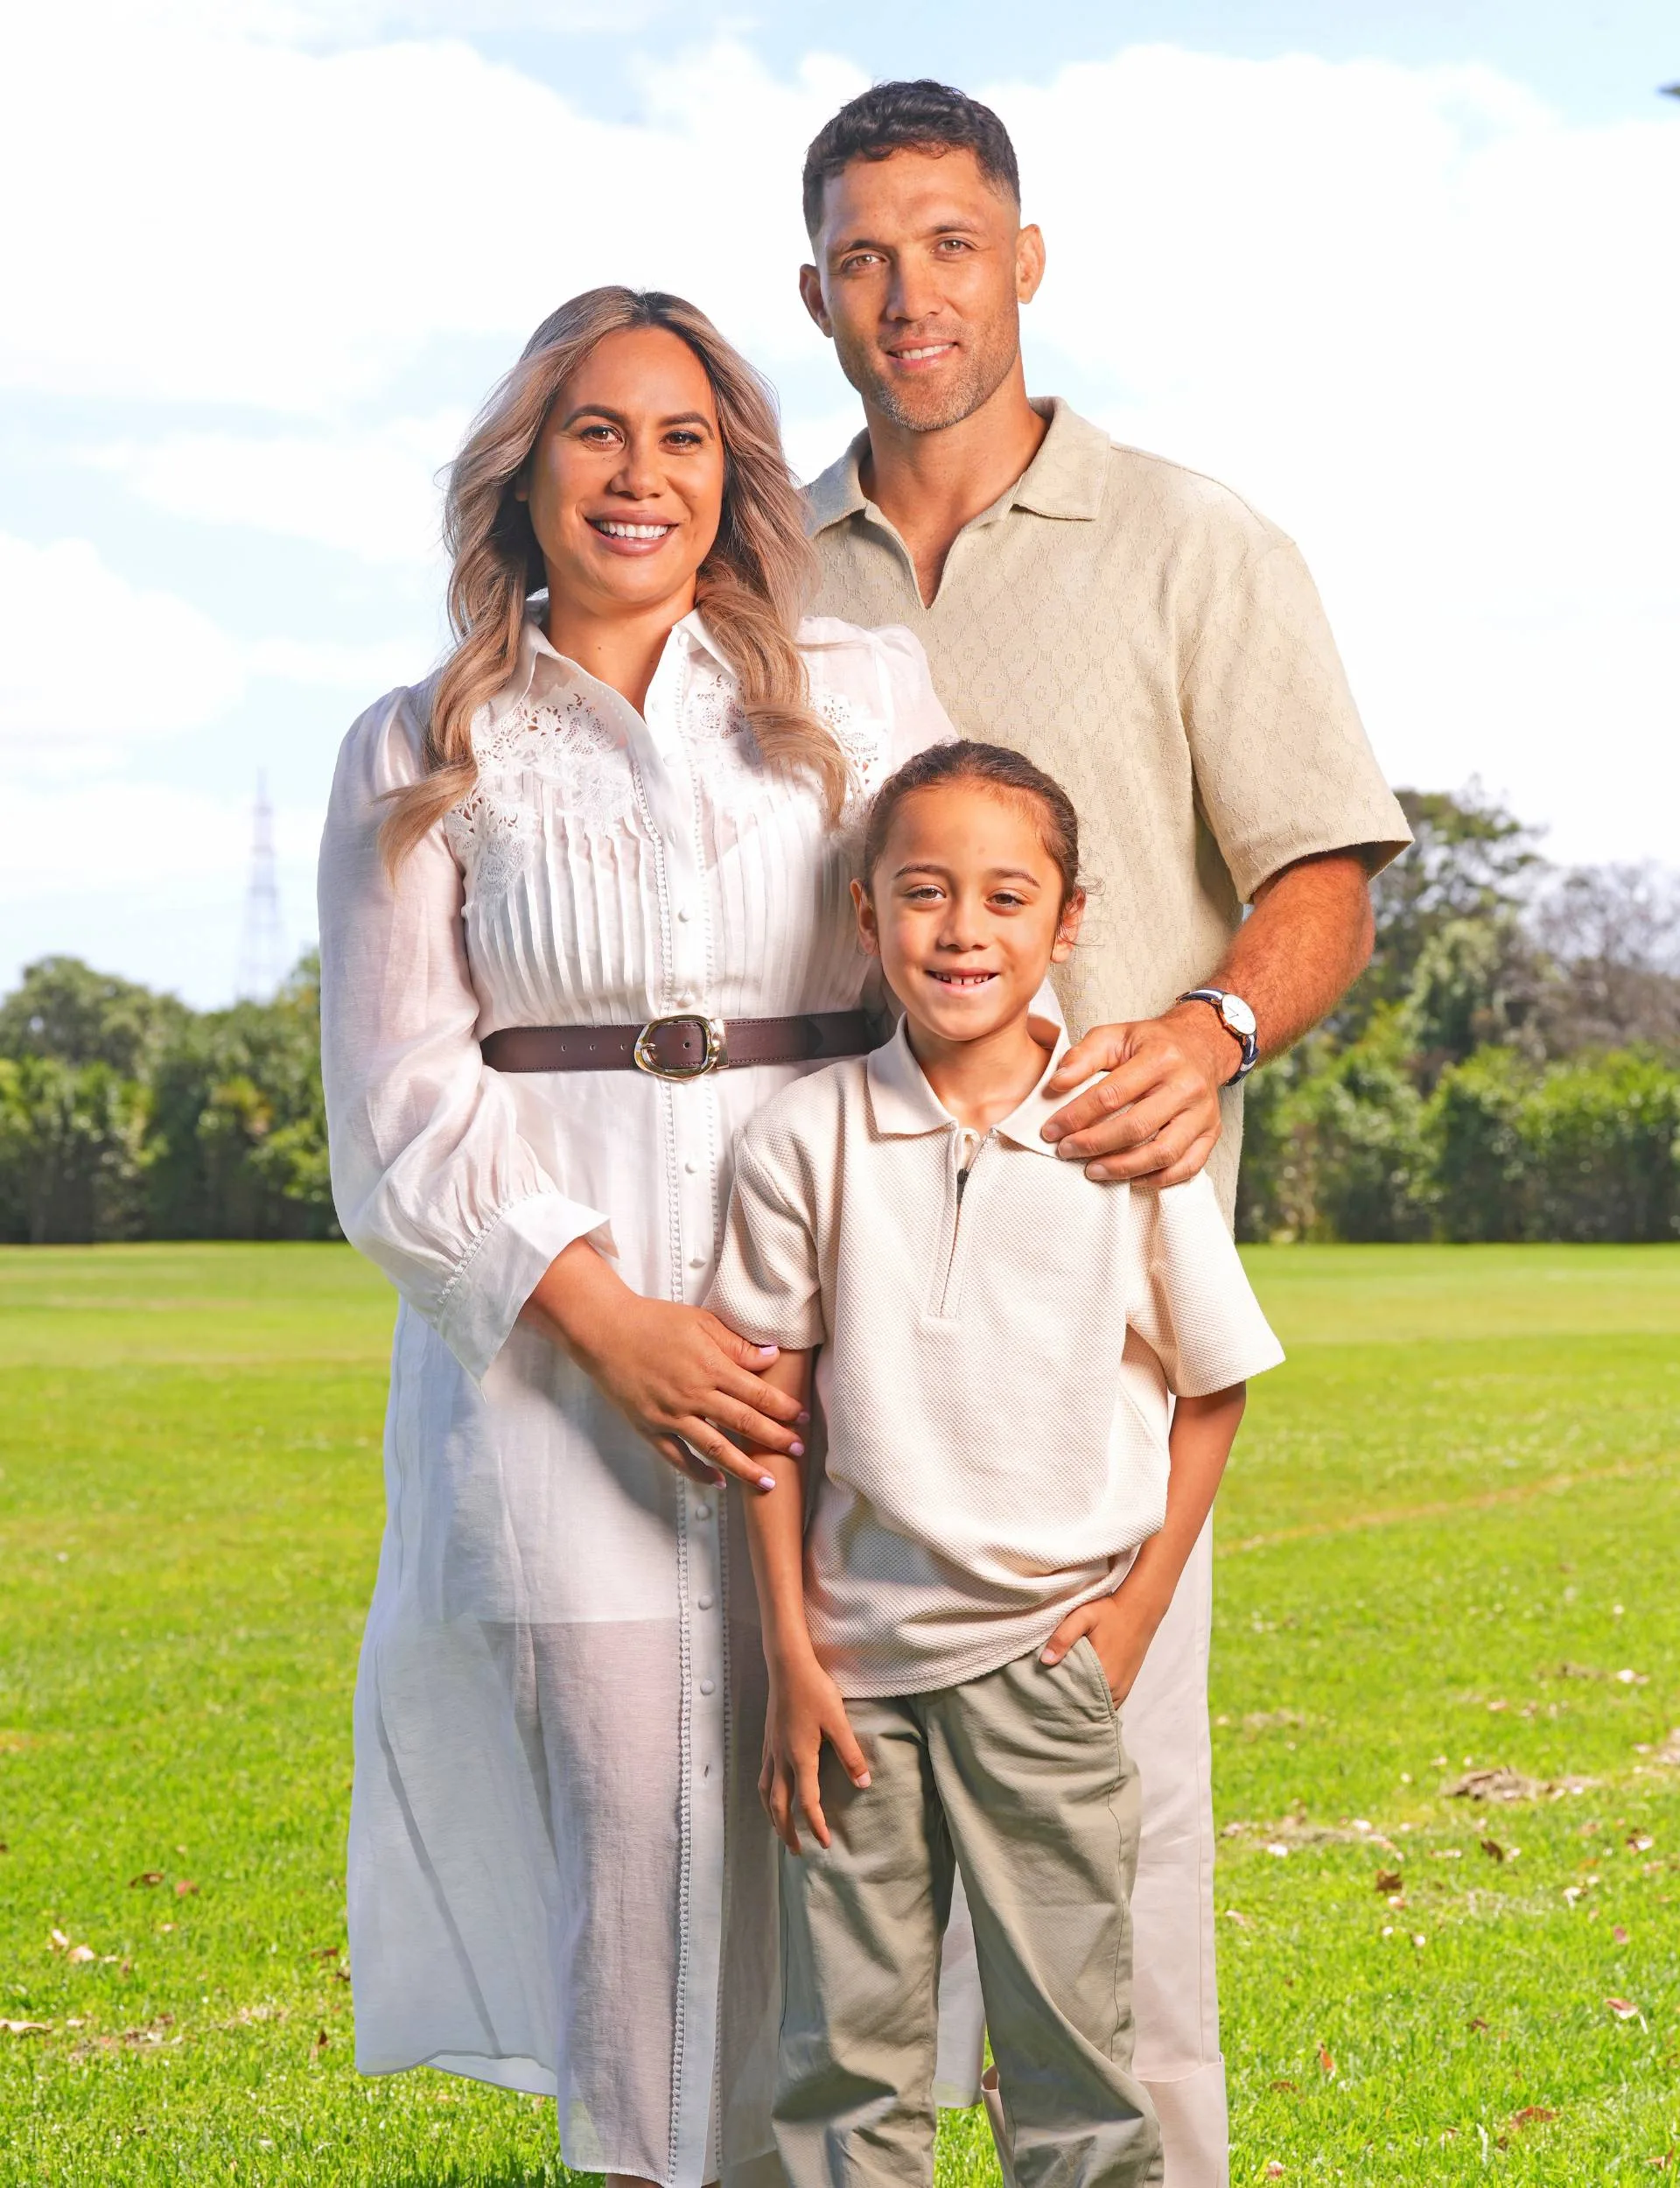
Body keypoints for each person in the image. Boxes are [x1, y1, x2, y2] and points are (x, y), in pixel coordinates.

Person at [796, 81, 1412, 2185]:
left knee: (1111, 1938)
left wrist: (1217, 1022)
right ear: (816, 294)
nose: (912, 295)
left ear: (1027, 260)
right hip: (850, 1353)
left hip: (1105, 1363)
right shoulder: (762, 566)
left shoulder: (1195, 538)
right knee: (844, 1961)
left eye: (951, 243)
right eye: (867, 257)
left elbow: (1322, 864)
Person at [317, 284, 956, 2188]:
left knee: (839, 1845)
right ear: (527, 468)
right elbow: (402, 1101)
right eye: (597, 430)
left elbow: (958, 959)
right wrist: (610, 1320)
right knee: (627, 1855)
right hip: (551, 1389)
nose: (640, 473)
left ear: (732, 476)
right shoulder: (423, 741)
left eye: (683, 437)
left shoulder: (861, 695)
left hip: (832, 1356)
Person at [705, 741, 1285, 2188]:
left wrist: (1135, 1616)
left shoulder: (1128, 1137)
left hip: (1048, 1667)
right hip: (854, 1683)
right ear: (865, 915)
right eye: (923, 892)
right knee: (842, 2070)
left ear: (1066, 920)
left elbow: (1214, 1387)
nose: (963, 929)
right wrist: (791, 1656)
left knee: (1072, 2071)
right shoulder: (804, 1137)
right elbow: (766, 1423)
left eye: (1006, 897)